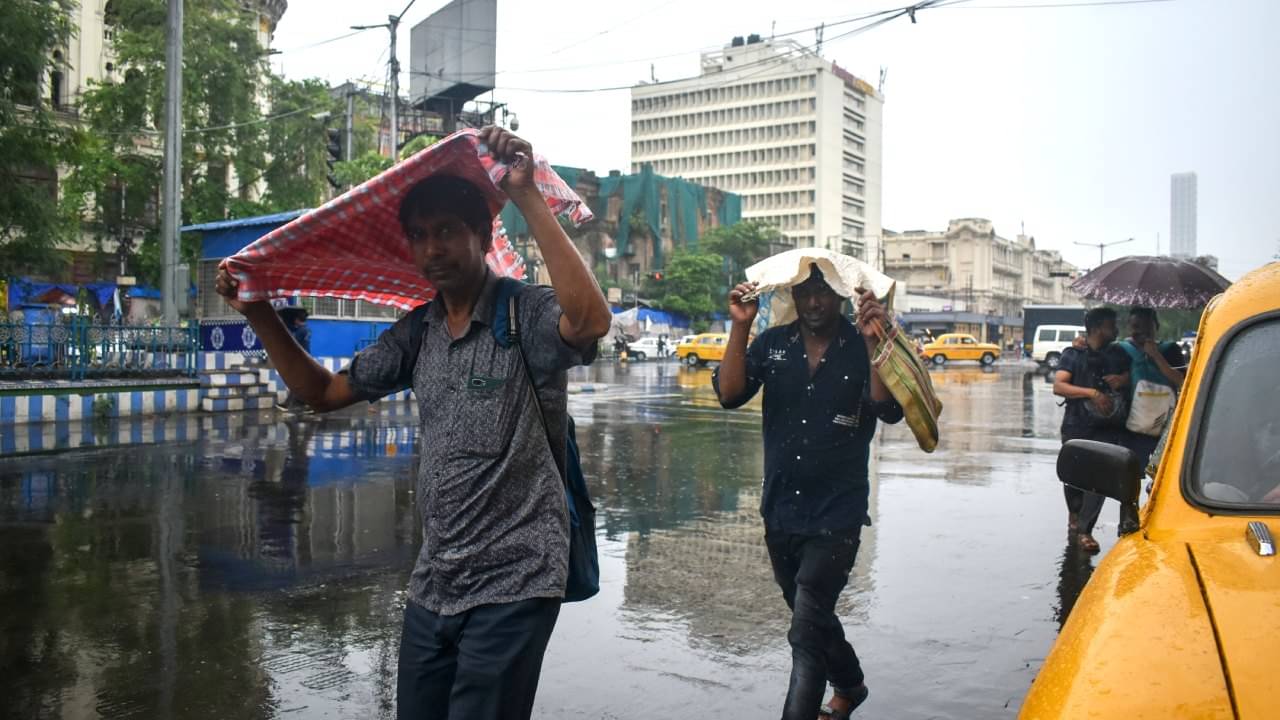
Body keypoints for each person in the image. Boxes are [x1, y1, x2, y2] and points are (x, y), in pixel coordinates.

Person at [215, 126, 612, 720]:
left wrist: (527, 195)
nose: (433, 248)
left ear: (480, 235)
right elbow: (321, 392)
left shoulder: (522, 312)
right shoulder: (418, 332)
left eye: (448, 231)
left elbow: (588, 321)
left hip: (519, 572)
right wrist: (256, 310)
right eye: (420, 236)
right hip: (437, 577)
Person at [714, 266, 904, 720]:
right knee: (809, 614)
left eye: (823, 292)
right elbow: (730, 394)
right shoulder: (773, 343)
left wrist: (876, 343)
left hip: (838, 513)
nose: (814, 302)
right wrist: (741, 325)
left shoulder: (864, 344)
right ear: (794, 295)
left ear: (840, 296)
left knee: (805, 629)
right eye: (805, 292)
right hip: (780, 508)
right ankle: (851, 685)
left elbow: (889, 409)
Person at [1052, 307, 1131, 553]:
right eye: (1111, 325)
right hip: (1076, 425)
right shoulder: (1073, 355)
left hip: (1107, 427)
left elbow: (1133, 371)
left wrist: (1123, 379)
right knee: (1073, 479)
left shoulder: (1118, 353)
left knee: (1099, 479)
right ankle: (1074, 515)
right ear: (1097, 327)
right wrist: (1091, 393)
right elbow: (1059, 386)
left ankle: (1085, 530)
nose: (1116, 329)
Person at [1115, 307, 1185, 469]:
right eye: (1134, 326)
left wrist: (1156, 356)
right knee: (1129, 477)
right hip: (1131, 429)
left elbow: (1180, 381)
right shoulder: (1120, 350)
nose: (1138, 331)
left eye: (1145, 326)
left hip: (1164, 426)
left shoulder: (1171, 350)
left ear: (1156, 327)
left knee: (1163, 473)